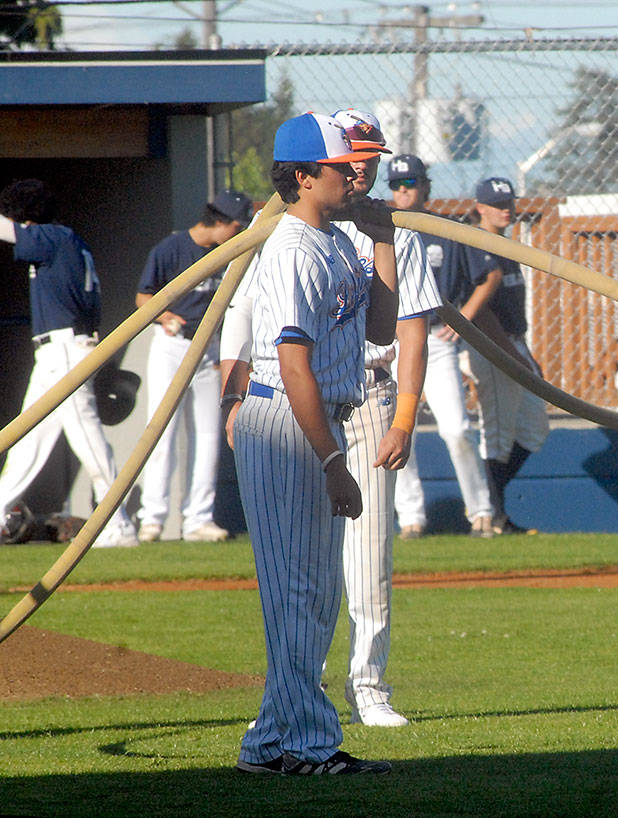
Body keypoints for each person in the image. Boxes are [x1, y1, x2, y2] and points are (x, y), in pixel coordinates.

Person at [228, 111, 397, 775]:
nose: (353, 174)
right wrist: (331, 458)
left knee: (317, 593)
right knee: (297, 592)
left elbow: (381, 329)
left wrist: (382, 241)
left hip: (319, 414)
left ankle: (268, 742)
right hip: (289, 422)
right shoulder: (294, 245)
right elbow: (291, 362)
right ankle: (307, 746)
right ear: (302, 177)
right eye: (338, 167)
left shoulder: (335, 240)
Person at [326, 109, 442, 728]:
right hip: (304, 397)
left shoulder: (399, 231)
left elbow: (411, 330)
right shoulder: (294, 228)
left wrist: (404, 418)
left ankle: (368, 685)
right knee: (304, 552)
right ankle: (299, 686)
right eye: (354, 155)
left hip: (371, 391)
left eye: (372, 154)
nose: (365, 165)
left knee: (369, 550)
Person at [0, 179, 138, 548]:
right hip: (59, 349)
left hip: (65, 349)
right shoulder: (67, 240)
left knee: (87, 437)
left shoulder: (51, 236)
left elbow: (9, 230)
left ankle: (118, 523)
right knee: (27, 438)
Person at [386, 153, 496, 538]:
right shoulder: (380, 230)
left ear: (426, 186)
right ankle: (411, 517)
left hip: (437, 339)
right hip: (394, 343)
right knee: (401, 432)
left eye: (410, 183)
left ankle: (481, 511)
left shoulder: (447, 229)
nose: (403, 191)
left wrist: (461, 318)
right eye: (396, 185)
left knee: (456, 429)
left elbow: (487, 275)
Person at [134, 189, 251, 543]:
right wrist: (165, 315)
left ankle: (198, 519)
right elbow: (143, 297)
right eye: (236, 224)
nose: (239, 231)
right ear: (219, 220)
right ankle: (152, 518)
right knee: (161, 432)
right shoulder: (172, 248)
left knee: (208, 436)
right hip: (173, 345)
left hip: (207, 351)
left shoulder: (228, 254)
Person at [451, 177, 548, 534]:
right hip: (490, 346)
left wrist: (523, 354)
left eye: (509, 203)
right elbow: (482, 311)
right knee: (498, 432)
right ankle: (492, 516)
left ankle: (491, 505)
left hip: (514, 343)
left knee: (534, 427)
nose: (506, 210)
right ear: (480, 207)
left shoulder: (503, 245)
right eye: (497, 205)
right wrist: (511, 355)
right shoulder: (476, 244)